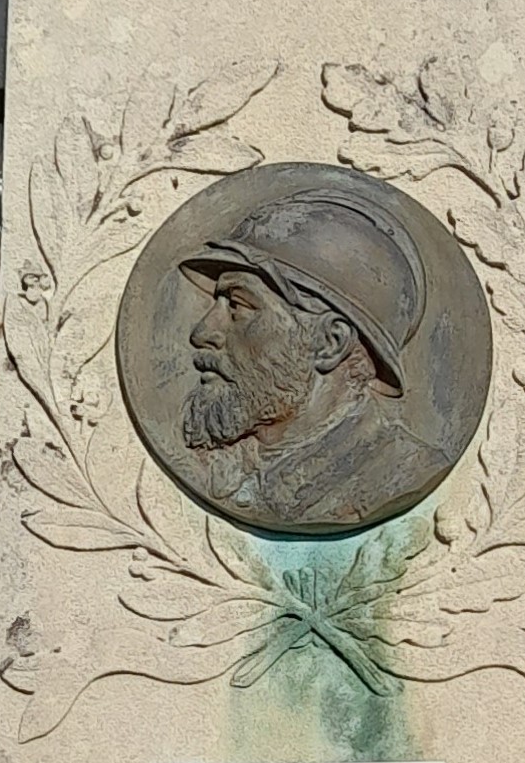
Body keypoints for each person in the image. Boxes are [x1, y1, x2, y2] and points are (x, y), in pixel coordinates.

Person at [178, 183, 440, 532]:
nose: (203, 331)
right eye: (216, 305)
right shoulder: (224, 465)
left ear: (330, 343)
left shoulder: (398, 472)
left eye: (238, 306)